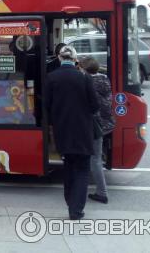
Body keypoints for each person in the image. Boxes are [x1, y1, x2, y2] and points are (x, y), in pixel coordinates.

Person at [45, 45, 99, 220]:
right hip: (83, 131)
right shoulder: (84, 78)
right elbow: (95, 106)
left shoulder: (51, 78)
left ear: (59, 58)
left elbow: (46, 106)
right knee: (82, 169)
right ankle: (76, 209)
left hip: (62, 131)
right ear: (75, 59)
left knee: (68, 166)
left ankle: (70, 201)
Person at [80, 56, 116, 204]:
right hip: (105, 123)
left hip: (94, 125)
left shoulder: (87, 82)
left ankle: (102, 193)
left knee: (95, 160)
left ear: (85, 69)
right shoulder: (104, 79)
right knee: (94, 158)